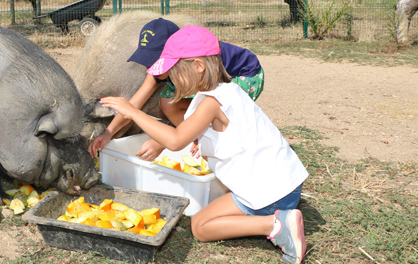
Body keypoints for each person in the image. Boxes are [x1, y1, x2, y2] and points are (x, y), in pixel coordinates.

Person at [99, 25, 309, 263]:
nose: (171, 79)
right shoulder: (229, 91)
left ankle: (274, 225)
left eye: (175, 72)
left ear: (198, 67)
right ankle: (278, 218)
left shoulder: (210, 102)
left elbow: (175, 141)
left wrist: (133, 112)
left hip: (270, 193)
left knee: (200, 227)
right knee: (199, 223)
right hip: (285, 184)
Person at [87, 18, 264, 160]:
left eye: (156, 60)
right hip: (207, 82)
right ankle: (195, 137)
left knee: (218, 115)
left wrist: (162, 142)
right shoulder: (164, 66)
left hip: (244, 75)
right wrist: (108, 133)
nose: (152, 67)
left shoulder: (204, 62)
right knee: (168, 101)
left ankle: (209, 142)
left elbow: (208, 106)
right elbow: (135, 103)